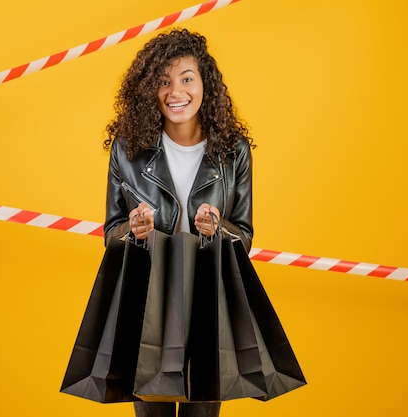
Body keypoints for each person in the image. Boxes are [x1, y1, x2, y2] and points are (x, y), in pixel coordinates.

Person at [103, 28, 255, 417]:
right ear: (148, 91)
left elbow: (244, 235)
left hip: (209, 299)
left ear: (205, 82)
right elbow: (112, 232)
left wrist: (217, 228)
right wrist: (133, 232)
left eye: (187, 78)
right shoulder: (128, 149)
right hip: (148, 300)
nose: (176, 92)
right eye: (163, 81)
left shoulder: (233, 150)